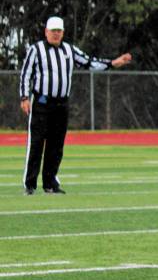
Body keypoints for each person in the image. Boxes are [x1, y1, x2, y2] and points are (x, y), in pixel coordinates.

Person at [18, 16, 132, 194]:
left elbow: (89, 62)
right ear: (46, 32)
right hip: (41, 103)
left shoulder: (69, 50)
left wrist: (112, 63)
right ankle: (30, 184)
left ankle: (50, 183)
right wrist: (24, 97)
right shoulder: (36, 49)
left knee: (56, 145)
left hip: (61, 104)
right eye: (53, 31)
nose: (56, 34)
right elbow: (26, 74)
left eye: (59, 31)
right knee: (37, 143)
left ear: (63, 33)